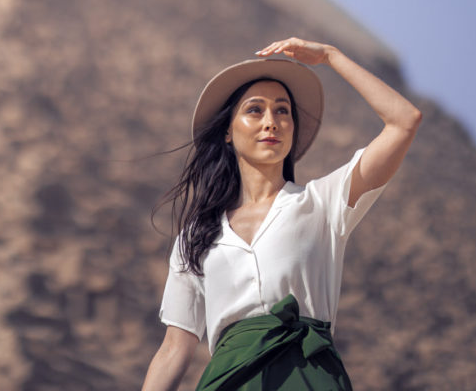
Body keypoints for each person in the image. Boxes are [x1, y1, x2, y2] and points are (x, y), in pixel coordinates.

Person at [141, 37, 422, 391]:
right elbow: (173, 349)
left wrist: (331, 56)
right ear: (228, 131)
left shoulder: (324, 202)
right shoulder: (196, 237)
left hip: (309, 379)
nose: (271, 121)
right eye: (255, 110)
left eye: (283, 110)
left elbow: (404, 121)